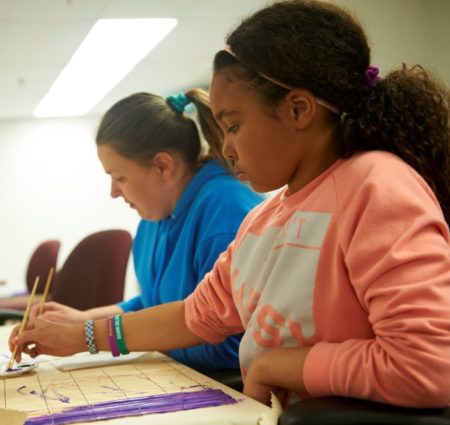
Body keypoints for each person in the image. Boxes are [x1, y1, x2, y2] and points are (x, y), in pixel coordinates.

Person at [11, 0, 450, 408]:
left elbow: (430, 363)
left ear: (299, 110)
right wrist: (82, 335)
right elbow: (194, 315)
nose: (227, 148)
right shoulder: (267, 218)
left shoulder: (376, 185)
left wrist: (278, 365)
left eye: (234, 126)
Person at [26, 88, 263, 373]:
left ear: (162, 166)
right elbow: (153, 303)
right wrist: (84, 319)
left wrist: (90, 336)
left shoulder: (227, 214)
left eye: (119, 177)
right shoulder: (155, 216)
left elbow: (229, 347)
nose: (114, 192)